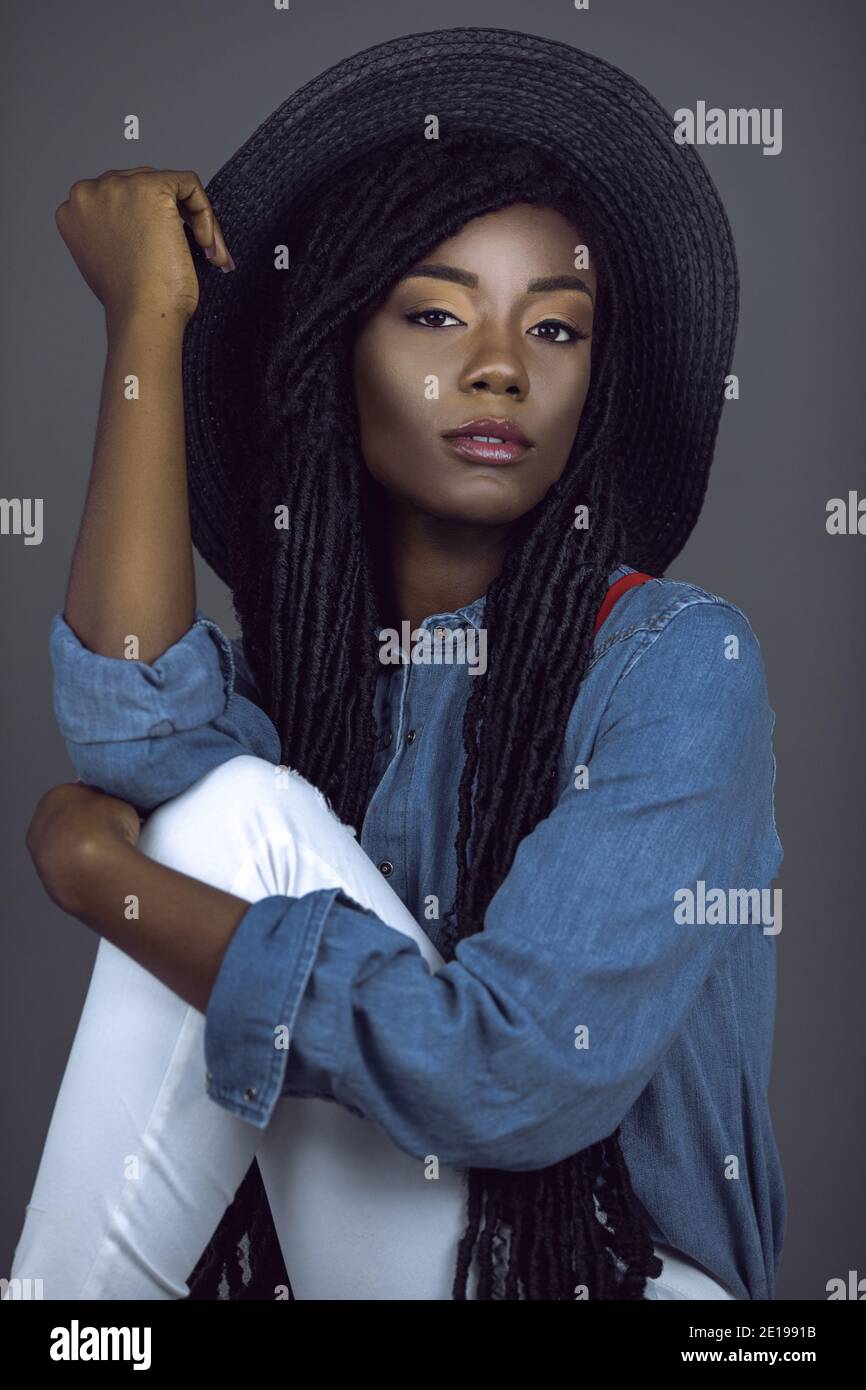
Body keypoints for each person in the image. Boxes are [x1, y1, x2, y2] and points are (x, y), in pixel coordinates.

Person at [6, 28, 784, 1301]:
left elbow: (515, 1077)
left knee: (224, 823)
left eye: (556, 328)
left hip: (629, 1290)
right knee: (219, 807)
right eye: (433, 313)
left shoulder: (677, 659)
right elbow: (136, 734)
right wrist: (144, 322)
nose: (497, 368)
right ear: (333, 350)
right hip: (394, 1267)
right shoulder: (310, 674)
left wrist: (108, 884)